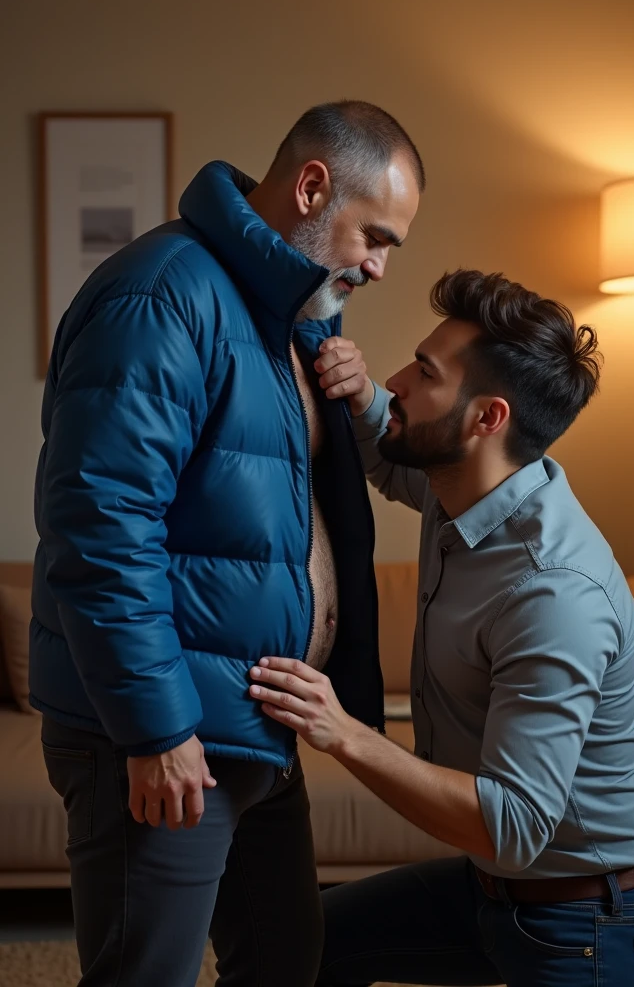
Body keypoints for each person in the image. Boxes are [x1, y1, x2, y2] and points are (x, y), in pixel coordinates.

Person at [32, 100, 422, 987]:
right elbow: (100, 529)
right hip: (170, 731)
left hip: (252, 726)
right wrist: (157, 728)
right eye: (377, 235)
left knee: (288, 959)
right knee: (146, 973)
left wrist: (349, 395)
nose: (381, 265)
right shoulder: (164, 294)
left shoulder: (294, 320)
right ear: (312, 187)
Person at [249, 268, 634, 987]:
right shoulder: (471, 485)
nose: (397, 378)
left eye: (423, 373)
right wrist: (362, 399)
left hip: (595, 924)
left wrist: (343, 731)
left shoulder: (554, 594)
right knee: (306, 946)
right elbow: (393, 466)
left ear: (487, 418)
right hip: (493, 890)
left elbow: (512, 828)